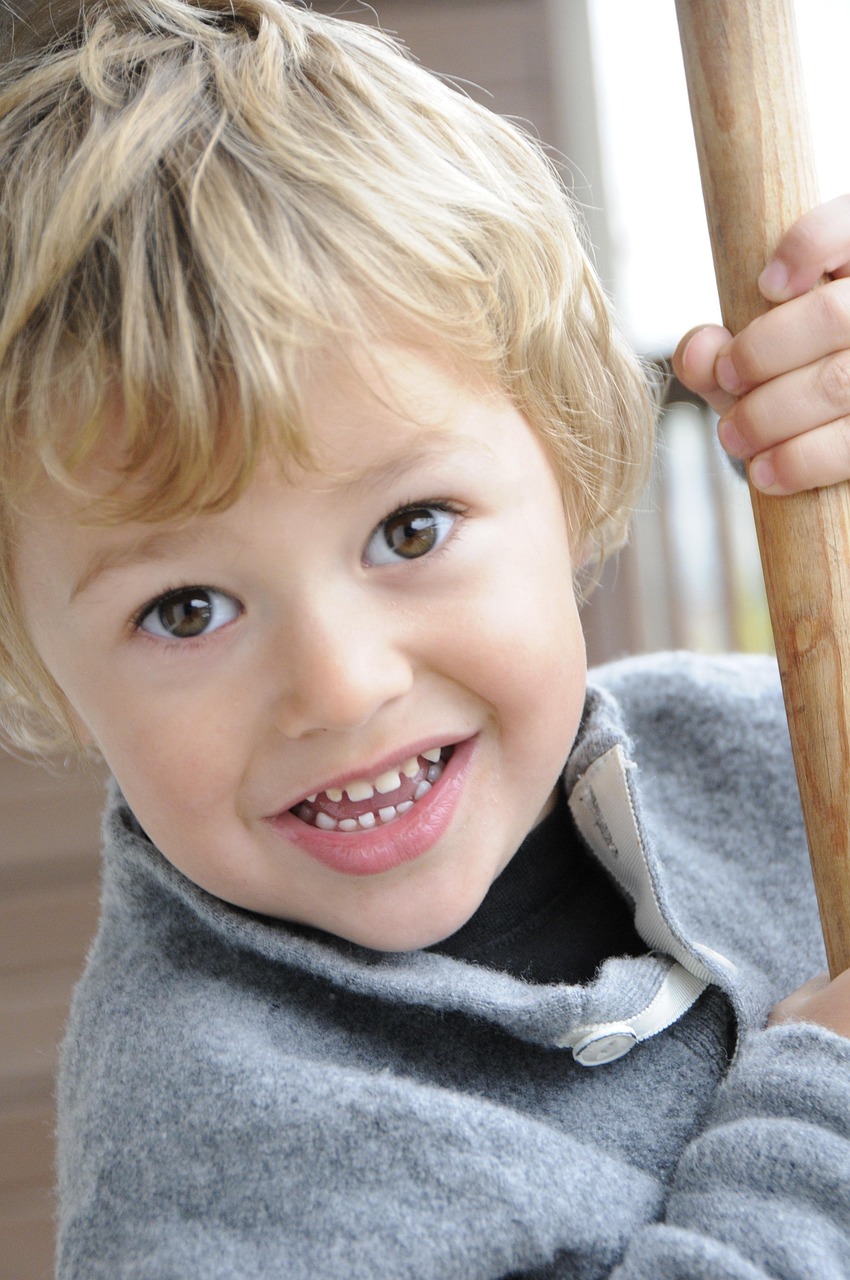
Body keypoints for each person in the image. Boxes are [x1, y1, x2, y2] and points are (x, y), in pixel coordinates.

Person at [1, 2, 849, 1276]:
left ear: (568, 464)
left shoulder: (762, 750)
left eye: (409, 530)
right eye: (187, 608)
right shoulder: (212, 1164)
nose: (341, 686)